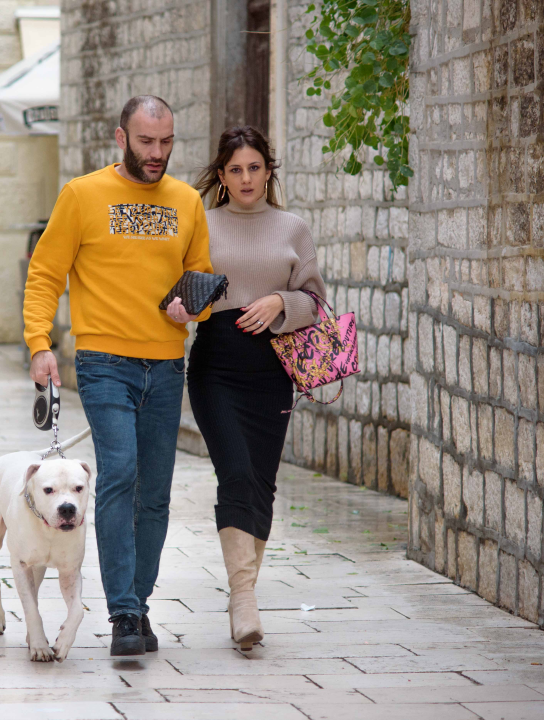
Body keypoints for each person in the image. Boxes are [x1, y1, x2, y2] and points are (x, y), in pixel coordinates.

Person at [23, 96, 213, 657]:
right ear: (120, 137)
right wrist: (40, 344)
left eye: (166, 142)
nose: (157, 154)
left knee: (154, 492)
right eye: (146, 142)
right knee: (121, 472)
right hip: (105, 362)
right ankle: (124, 614)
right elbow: (44, 274)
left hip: (167, 363)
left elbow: (199, 278)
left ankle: (139, 604)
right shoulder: (82, 195)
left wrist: (192, 308)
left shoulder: (187, 201)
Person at [176, 126, 325, 649]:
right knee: (236, 472)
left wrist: (281, 303)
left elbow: (316, 301)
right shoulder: (201, 222)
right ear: (221, 175)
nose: (246, 178)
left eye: (255, 168)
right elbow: (181, 289)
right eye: (235, 169)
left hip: (273, 371)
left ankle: (245, 597)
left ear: (268, 171)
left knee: (261, 481)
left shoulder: (293, 228)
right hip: (216, 365)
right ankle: (244, 601)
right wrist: (185, 307)